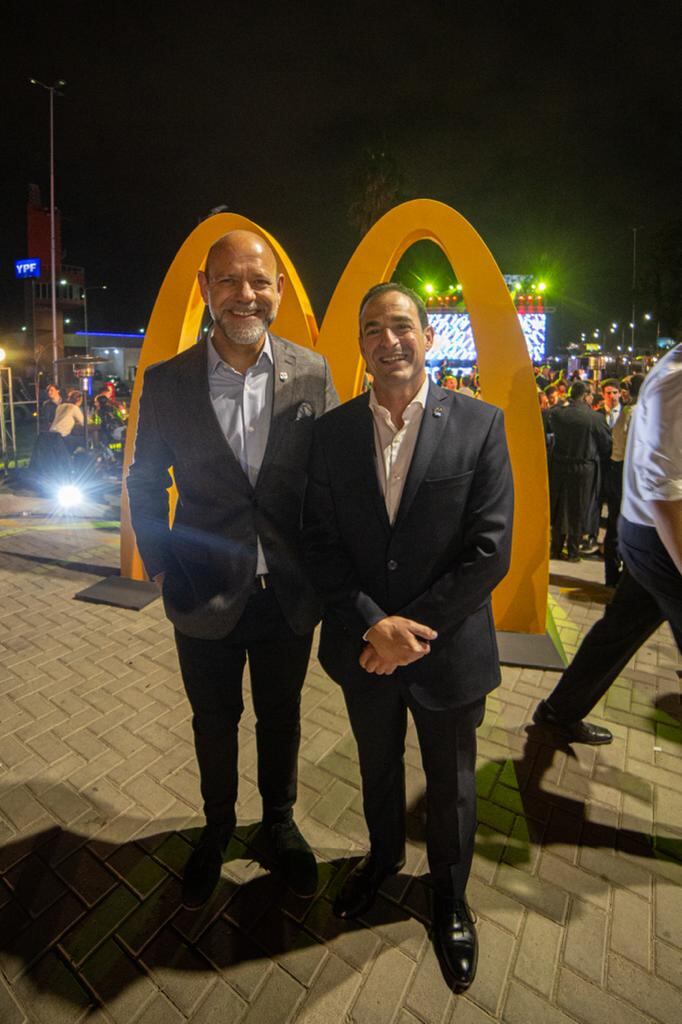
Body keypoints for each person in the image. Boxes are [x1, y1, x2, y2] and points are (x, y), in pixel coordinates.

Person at [303, 283, 514, 991]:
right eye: (373, 329)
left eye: (402, 327)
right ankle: (383, 858)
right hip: (364, 646)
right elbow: (322, 543)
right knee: (376, 766)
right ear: (360, 346)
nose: (388, 340)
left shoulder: (480, 425)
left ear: (429, 337)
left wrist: (408, 632)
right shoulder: (330, 434)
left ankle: (449, 898)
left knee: (452, 785)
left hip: (446, 649)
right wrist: (372, 622)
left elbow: (489, 551)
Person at [127, 229, 338, 910]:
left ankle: (279, 823)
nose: (244, 295)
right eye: (228, 281)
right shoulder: (166, 383)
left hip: (287, 594)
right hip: (200, 591)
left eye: (259, 282)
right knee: (212, 721)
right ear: (204, 289)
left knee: (282, 718)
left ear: (277, 290)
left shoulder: (313, 373)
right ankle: (217, 828)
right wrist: (160, 561)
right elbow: (142, 478)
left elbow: (331, 482)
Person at [534, 347, 681, 743]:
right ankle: (558, 710)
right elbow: (664, 487)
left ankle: (559, 709)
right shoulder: (674, 380)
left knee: (616, 632)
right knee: (616, 631)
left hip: (647, 532)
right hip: (663, 536)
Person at [548, 380, 611, 561]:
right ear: (585, 396)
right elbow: (606, 444)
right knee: (578, 508)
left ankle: (556, 548)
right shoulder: (595, 418)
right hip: (584, 468)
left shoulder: (558, 415)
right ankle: (574, 550)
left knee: (561, 508)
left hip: (560, 466)